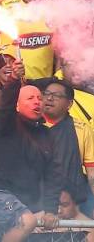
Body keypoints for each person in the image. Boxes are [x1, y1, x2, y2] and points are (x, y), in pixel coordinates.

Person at [0, 67, 62, 242]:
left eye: (39, 98)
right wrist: (14, 79)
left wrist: (51, 210)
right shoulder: (9, 124)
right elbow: (5, 104)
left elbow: (53, 174)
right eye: (30, 98)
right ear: (17, 104)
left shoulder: (47, 134)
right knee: (27, 221)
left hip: (25, 201)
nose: (37, 101)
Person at [41, 79, 94, 212]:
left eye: (57, 96)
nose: (49, 98)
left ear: (69, 104)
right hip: (36, 194)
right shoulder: (32, 125)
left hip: (74, 198)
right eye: (46, 93)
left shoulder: (82, 129)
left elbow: (91, 173)